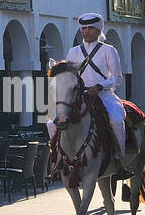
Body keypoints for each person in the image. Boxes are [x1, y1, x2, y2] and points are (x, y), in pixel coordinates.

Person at [49, 12, 127, 170]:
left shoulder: (109, 50)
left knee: (117, 120)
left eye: (91, 28)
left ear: (99, 30)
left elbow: (117, 78)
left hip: (104, 95)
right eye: (84, 28)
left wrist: (99, 87)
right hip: (79, 95)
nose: (87, 31)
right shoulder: (73, 52)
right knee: (52, 123)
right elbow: (69, 76)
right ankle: (58, 157)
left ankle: (120, 159)